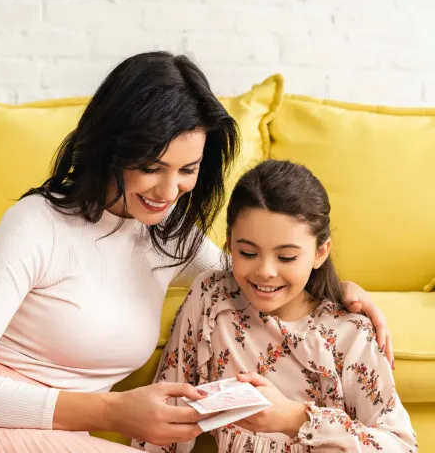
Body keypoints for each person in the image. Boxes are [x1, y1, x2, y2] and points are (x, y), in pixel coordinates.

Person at [0, 53, 392, 453]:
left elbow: (254, 274)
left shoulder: (166, 230)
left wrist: (334, 287)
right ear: (111, 145)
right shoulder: (37, 224)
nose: (169, 190)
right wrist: (113, 413)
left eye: (187, 170)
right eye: (152, 165)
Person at [133, 159, 416, 453]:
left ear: (321, 252)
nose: (266, 271)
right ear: (229, 244)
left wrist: (296, 419)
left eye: (286, 257)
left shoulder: (349, 333)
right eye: (248, 252)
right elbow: (167, 416)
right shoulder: (212, 298)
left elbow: (400, 446)